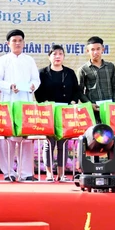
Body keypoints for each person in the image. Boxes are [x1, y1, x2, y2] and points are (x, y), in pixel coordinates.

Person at [0, 29, 40, 182]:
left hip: (25, 102)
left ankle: (26, 173)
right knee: (7, 139)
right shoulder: (3, 60)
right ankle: (8, 172)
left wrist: (33, 86)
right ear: (8, 43)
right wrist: (10, 86)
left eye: (20, 40)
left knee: (26, 138)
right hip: (8, 102)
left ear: (24, 43)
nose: (17, 43)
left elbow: (36, 79)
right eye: (14, 41)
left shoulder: (29, 60)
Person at [35, 45, 80, 180]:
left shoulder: (69, 73)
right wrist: (44, 102)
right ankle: (49, 173)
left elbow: (76, 90)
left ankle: (61, 174)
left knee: (63, 144)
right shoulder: (42, 73)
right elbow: (38, 92)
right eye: (54, 54)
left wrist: (74, 101)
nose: (58, 56)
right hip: (49, 112)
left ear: (64, 56)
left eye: (60, 53)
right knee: (49, 143)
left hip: (65, 112)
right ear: (49, 56)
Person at [77, 36, 115, 123]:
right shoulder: (83, 69)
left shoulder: (110, 66)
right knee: (94, 131)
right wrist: (89, 104)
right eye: (92, 49)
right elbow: (79, 92)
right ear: (87, 51)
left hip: (110, 109)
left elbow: (114, 87)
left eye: (98, 49)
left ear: (103, 49)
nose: (95, 52)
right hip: (93, 110)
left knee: (111, 131)